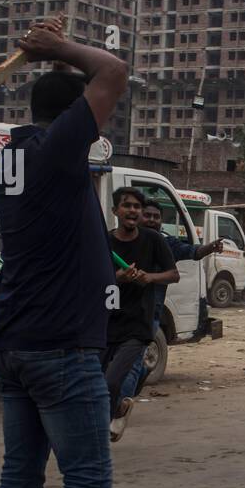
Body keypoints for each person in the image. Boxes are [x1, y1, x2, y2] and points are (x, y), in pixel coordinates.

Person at [0, 14, 130, 488]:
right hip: (59, 345)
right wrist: (59, 48)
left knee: (20, 480)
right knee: (88, 481)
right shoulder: (55, 151)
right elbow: (114, 72)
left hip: (14, 339)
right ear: (72, 117)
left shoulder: (11, 156)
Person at [119, 199, 222, 400]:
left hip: (148, 316)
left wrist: (210, 247)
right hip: (119, 313)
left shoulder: (166, 244)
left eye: (156, 217)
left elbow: (192, 252)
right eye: (147, 215)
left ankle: (119, 407)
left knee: (132, 362)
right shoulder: (122, 240)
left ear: (161, 221)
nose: (151, 220)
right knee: (124, 362)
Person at [104, 188, 178, 440]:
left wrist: (149, 277)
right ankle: (119, 408)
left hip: (137, 327)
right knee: (94, 386)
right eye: (127, 205)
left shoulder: (153, 240)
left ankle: (97, 435)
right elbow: (91, 281)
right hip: (105, 324)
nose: (132, 210)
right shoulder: (104, 242)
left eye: (137, 206)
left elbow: (173, 274)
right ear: (116, 211)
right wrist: (118, 278)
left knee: (111, 383)